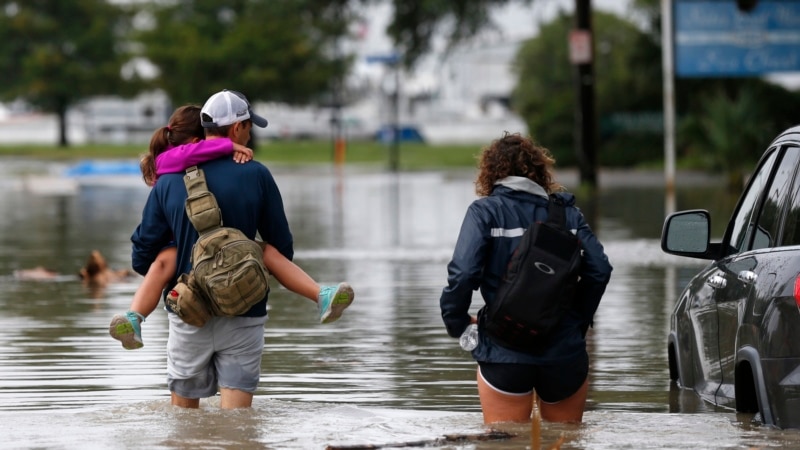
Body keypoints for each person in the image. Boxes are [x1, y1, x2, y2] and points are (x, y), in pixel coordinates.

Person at [130, 90, 352, 408]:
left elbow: (141, 254)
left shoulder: (168, 181)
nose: (250, 134)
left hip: (189, 311)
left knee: (183, 425)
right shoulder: (257, 174)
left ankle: (134, 316)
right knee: (238, 425)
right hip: (244, 310)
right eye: (249, 127)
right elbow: (282, 247)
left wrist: (173, 257)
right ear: (236, 129)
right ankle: (321, 296)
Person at [439, 132, 612, 424]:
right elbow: (599, 270)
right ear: (540, 172)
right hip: (564, 353)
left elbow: (464, 272)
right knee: (565, 443)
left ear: (490, 173)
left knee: (504, 443)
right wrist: (576, 322)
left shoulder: (485, 212)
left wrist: (457, 322)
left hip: (504, 351)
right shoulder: (569, 215)